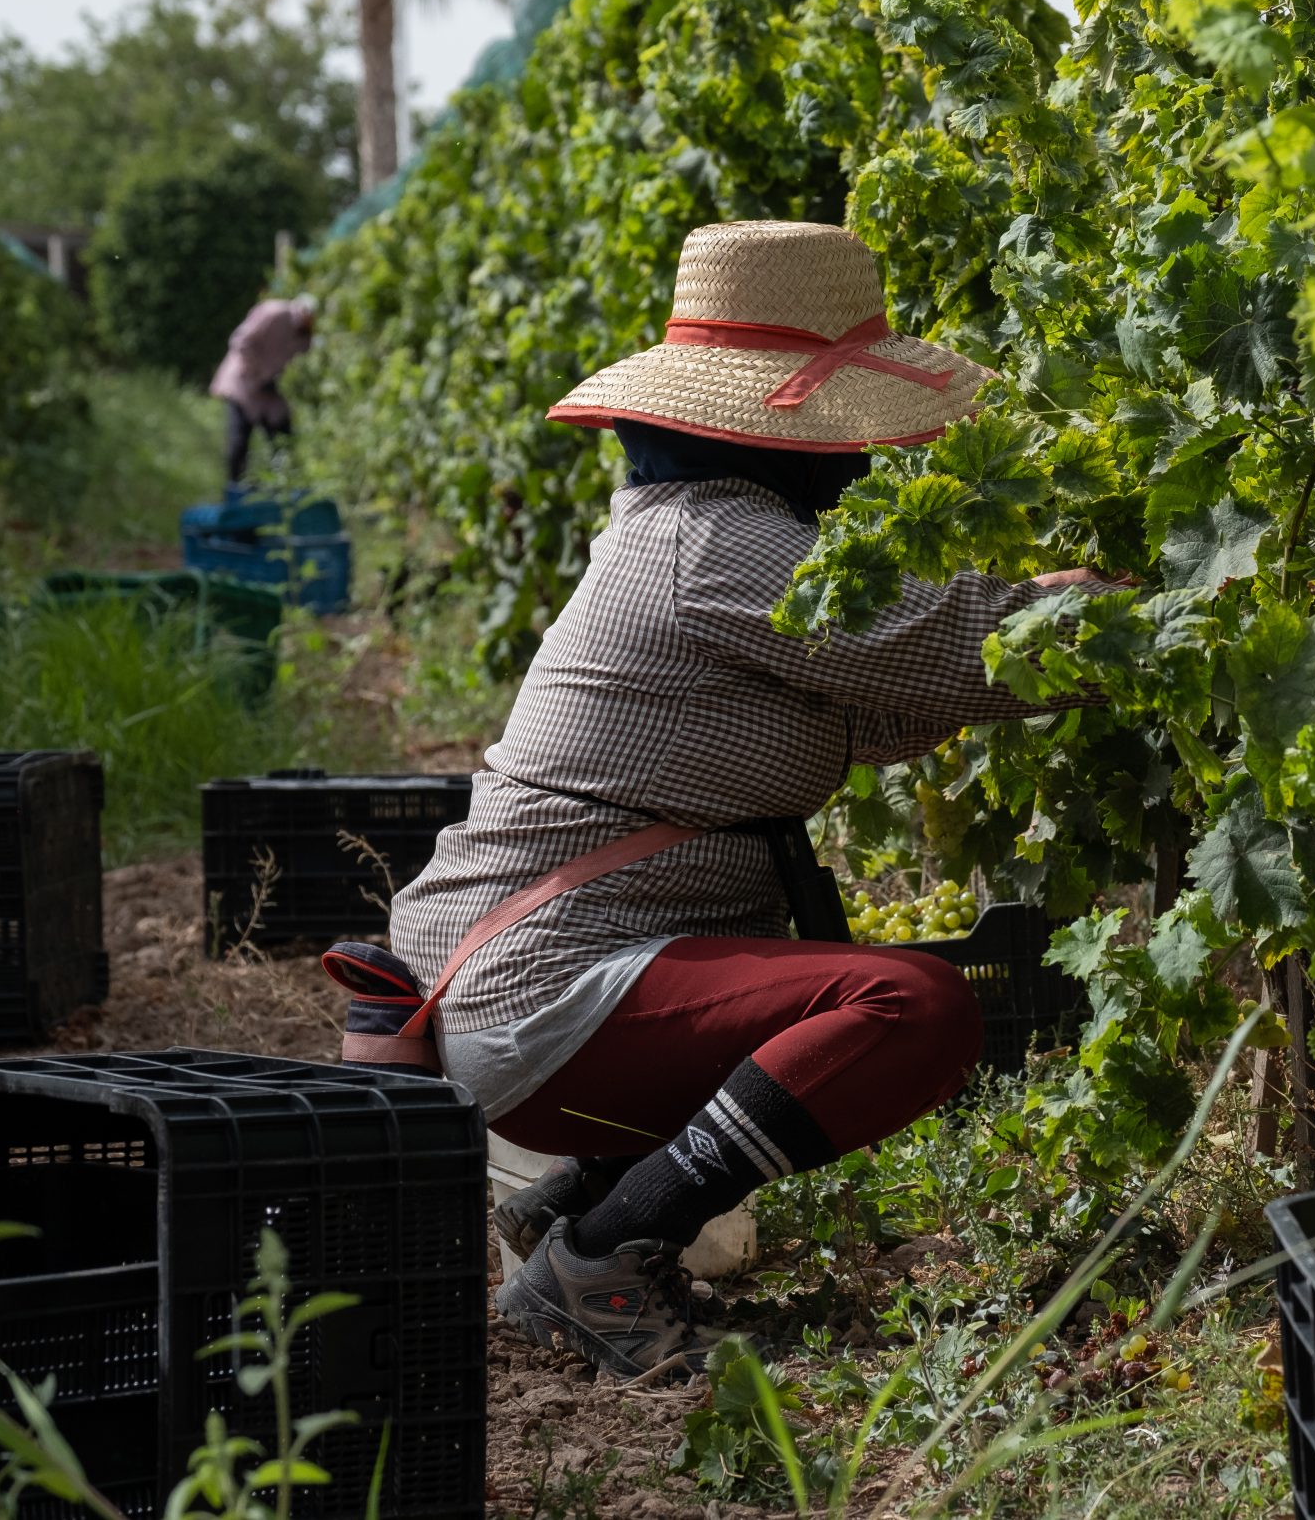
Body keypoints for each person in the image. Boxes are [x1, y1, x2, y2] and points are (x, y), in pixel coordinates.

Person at [386, 221, 1111, 1381]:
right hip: (541, 989)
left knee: (850, 994)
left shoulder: (688, 535)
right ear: (775, 429)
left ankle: (573, 1213)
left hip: (525, 973)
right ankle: (604, 1256)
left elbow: (875, 705)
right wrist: (1138, 612)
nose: (862, 460)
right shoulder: (724, 546)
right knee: (911, 1009)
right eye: (846, 429)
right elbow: (953, 645)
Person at [209, 295, 316, 484]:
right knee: (238, 443)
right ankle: (235, 492)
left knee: (284, 443)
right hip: (244, 384)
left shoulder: (307, 334)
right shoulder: (273, 312)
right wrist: (261, 373)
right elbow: (241, 341)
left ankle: (282, 490)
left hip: (272, 393)